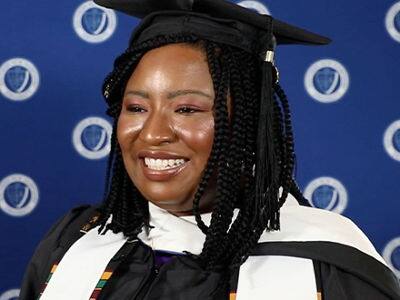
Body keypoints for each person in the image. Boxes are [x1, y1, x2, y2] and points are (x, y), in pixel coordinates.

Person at [20, 0, 400, 299]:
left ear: (249, 126)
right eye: (136, 108)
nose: (152, 133)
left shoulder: (330, 268)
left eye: (186, 109)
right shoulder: (76, 240)